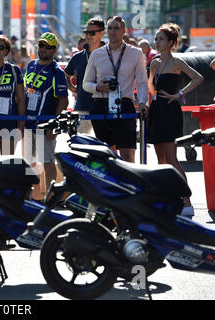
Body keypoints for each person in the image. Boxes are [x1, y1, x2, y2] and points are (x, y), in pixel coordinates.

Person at [147, 23, 203, 218]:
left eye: (161, 39)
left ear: (171, 42)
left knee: (171, 158)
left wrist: (178, 94)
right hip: (155, 110)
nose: (157, 42)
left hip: (170, 110)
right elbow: (150, 86)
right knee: (160, 159)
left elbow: (198, 78)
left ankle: (187, 201)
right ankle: (167, 199)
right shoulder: (154, 62)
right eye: (156, 38)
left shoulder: (177, 61)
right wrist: (148, 104)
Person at [83, 16, 148, 163]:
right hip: (100, 104)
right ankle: (110, 185)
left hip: (124, 104)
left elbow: (142, 82)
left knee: (128, 156)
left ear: (124, 30)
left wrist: (143, 102)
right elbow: (86, 84)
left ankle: (128, 186)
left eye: (117, 28)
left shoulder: (135, 53)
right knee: (106, 156)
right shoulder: (97, 54)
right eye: (110, 28)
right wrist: (99, 87)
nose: (113, 31)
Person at [23, 32, 68, 202]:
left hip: (45, 125)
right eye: (41, 45)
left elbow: (63, 100)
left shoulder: (57, 72)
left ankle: (49, 196)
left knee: (47, 161)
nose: (43, 49)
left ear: (54, 50)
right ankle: (32, 196)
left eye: (48, 47)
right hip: (29, 123)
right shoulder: (32, 65)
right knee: (28, 162)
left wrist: (54, 125)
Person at [65, 17, 105, 135]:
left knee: (106, 147)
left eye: (92, 32)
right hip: (82, 107)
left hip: (103, 107)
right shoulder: (78, 56)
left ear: (102, 33)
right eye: (86, 32)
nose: (88, 35)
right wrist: (74, 89)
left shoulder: (109, 54)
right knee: (79, 146)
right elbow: (65, 75)